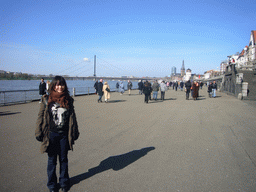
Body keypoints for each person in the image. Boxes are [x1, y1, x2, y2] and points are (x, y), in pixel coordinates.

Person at [35, 76, 79, 192]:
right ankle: (52, 185)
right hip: (51, 134)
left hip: (64, 135)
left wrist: (75, 131)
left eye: (62, 84)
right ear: (53, 86)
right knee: (52, 160)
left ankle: (64, 182)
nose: (59, 87)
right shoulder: (46, 99)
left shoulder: (68, 100)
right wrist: (38, 131)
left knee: (64, 159)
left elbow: (73, 117)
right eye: (57, 85)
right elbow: (40, 116)